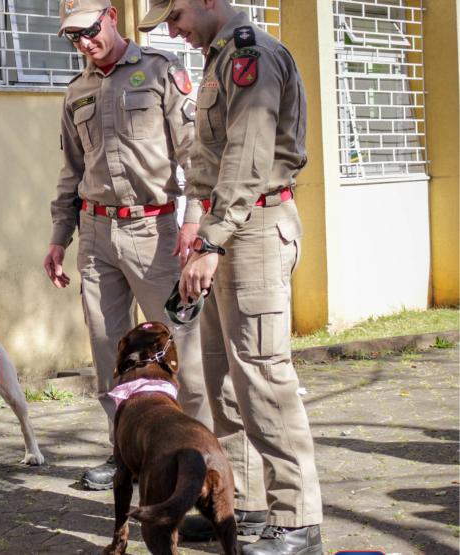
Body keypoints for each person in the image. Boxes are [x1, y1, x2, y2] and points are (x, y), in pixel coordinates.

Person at [139, 1, 324, 554]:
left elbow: (246, 157)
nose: (173, 31)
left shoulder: (251, 56)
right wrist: (201, 230)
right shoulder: (220, 62)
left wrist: (212, 240)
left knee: (265, 377)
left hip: (256, 227)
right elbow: (209, 160)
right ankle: (240, 504)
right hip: (229, 225)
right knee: (225, 380)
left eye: (174, 16)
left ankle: (297, 521)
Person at [44, 0, 213, 492]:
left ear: (113, 16)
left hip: (155, 231)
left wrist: (194, 221)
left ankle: (196, 453)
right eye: (73, 37)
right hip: (96, 236)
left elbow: (194, 153)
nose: (83, 43)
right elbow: (71, 173)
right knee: (108, 352)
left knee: (182, 353)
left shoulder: (161, 71)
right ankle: (125, 452)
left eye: (90, 31)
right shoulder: (75, 91)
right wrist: (59, 237)